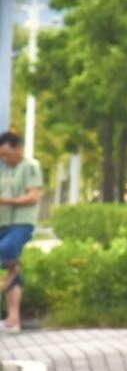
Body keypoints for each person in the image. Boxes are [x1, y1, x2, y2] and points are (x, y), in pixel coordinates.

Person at [0, 130, 43, 333]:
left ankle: (13, 269)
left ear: (18, 149)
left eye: (7, 154)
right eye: (1, 155)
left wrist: (7, 201)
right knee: (9, 260)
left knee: (6, 249)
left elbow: (33, 196)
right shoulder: (3, 168)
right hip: (3, 222)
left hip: (21, 222)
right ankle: (13, 319)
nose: (4, 158)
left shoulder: (31, 166)